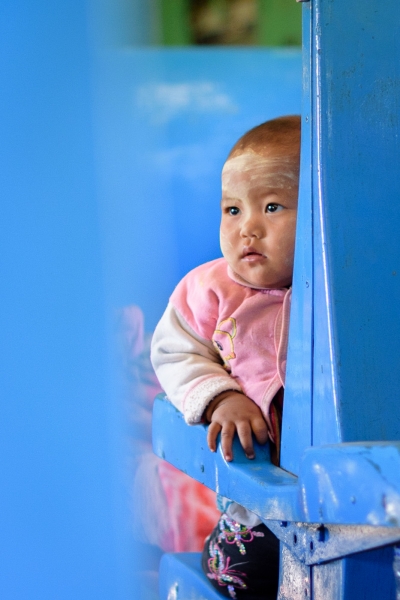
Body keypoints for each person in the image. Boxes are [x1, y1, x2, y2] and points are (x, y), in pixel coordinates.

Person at [151, 115, 300, 599]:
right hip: (253, 498)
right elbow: (174, 352)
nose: (248, 229)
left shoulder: (338, 295)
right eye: (232, 210)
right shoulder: (209, 289)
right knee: (238, 575)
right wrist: (221, 398)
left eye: (272, 206)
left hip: (341, 499)